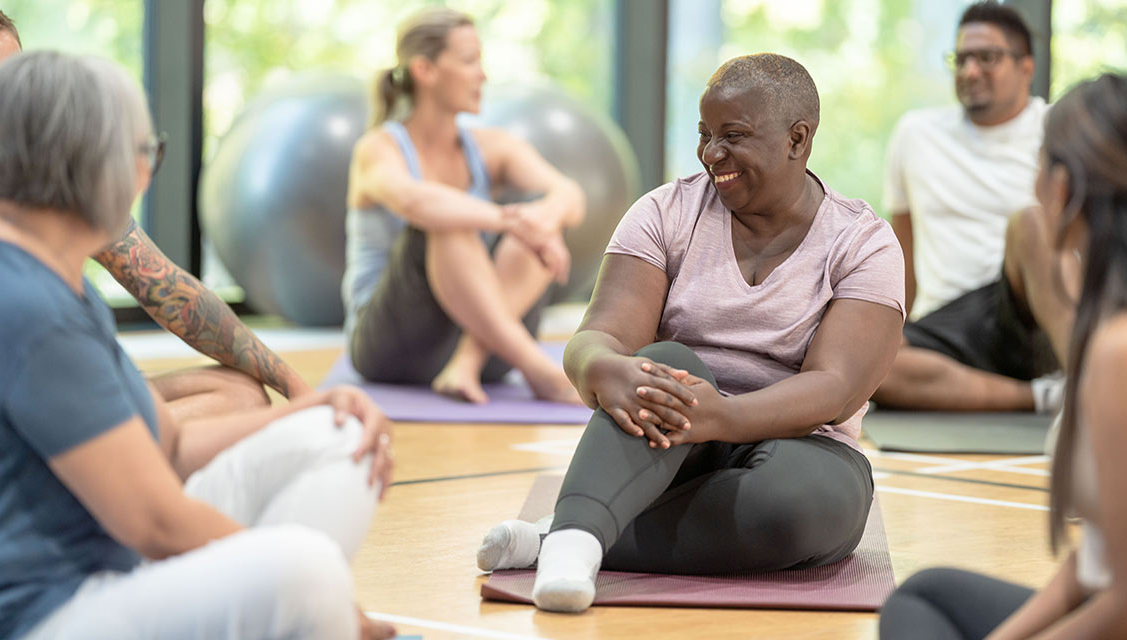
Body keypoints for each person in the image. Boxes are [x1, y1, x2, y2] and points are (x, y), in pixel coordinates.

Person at [475, 53, 906, 613]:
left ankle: (557, 536)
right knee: (664, 360)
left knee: (794, 510)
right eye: (704, 135)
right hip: (672, 428)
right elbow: (597, 336)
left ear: (798, 139)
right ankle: (574, 545)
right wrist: (602, 368)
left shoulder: (864, 243)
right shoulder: (664, 212)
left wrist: (723, 417)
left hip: (806, 443)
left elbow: (836, 387)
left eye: (733, 136)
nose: (711, 154)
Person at [0, 51, 396, 640]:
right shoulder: (29, 304)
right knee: (306, 571)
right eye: (143, 153)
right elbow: (156, 521)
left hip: (112, 562)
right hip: (48, 613)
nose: (145, 174)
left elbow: (171, 445)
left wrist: (308, 405)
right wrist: (322, 590)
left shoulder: (63, 280)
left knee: (337, 436)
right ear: (93, 164)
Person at [879, 72, 1127, 639]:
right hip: (969, 325)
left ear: (1062, 187)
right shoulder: (1107, 330)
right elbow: (1097, 562)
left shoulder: (1116, 352)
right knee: (923, 597)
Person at [0, 2, 313, 423]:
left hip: (50, 395)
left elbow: (170, 291)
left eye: (10, 86)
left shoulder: (51, 183)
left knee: (241, 394)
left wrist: (297, 387)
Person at [343, 7, 586, 405]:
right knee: (448, 219)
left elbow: (570, 195)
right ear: (425, 70)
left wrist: (541, 222)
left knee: (541, 219)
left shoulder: (491, 146)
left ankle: (467, 362)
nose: (483, 75)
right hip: (389, 347)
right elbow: (416, 202)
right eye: (470, 61)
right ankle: (541, 371)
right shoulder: (378, 149)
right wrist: (512, 222)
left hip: (483, 343)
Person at [872, 1, 1071, 414]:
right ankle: (1045, 397)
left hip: (1027, 308)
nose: (970, 71)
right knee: (868, 362)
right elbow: (901, 256)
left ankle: (1083, 378)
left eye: (987, 58)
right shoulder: (916, 134)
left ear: (1026, 68)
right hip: (946, 323)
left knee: (1030, 222)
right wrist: (888, 333)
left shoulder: (1058, 129)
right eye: (961, 59)